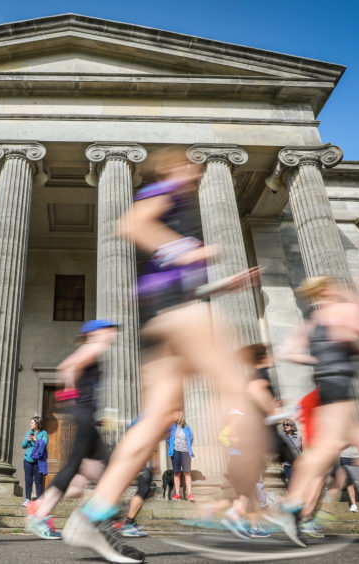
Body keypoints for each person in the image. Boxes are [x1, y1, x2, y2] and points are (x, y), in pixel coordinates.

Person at [62, 148, 262, 564]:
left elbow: (166, 265)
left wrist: (219, 283)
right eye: (190, 164)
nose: (196, 171)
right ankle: (236, 505)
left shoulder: (177, 200)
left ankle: (92, 514)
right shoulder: (165, 190)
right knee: (241, 391)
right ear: (171, 167)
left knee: (156, 418)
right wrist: (186, 250)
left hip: (160, 317)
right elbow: (132, 224)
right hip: (179, 313)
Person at [274, 276, 359, 545]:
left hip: (326, 383)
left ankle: (296, 507)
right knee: (333, 450)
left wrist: (317, 359)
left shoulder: (313, 320)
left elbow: (287, 352)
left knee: (341, 449)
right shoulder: (339, 311)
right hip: (339, 384)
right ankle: (295, 507)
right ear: (328, 290)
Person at [26, 320, 117, 540]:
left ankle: (89, 516)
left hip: (87, 416)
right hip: (83, 413)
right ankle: (41, 513)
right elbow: (68, 367)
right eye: (109, 330)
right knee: (76, 466)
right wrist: (71, 398)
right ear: (94, 333)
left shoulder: (95, 351)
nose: (112, 334)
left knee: (96, 470)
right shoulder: (93, 347)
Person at [167, 414, 195, 501]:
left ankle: (190, 494)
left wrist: (187, 446)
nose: (174, 416)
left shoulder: (186, 427)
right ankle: (177, 494)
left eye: (176, 415)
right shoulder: (171, 427)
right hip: (175, 452)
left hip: (185, 452)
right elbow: (168, 438)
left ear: (180, 416)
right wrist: (172, 445)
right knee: (177, 473)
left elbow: (191, 438)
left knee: (187, 473)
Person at [21, 416, 48, 507]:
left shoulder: (43, 433)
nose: (31, 424)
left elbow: (44, 444)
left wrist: (36, 440)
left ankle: (39, 499)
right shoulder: (29, 432)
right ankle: (27, 499)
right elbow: (23, 446)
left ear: (37, 424)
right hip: (28, 459)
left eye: (32, 423)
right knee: (28, 480)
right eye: (31, 422)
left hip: (38, 460)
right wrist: (27, 440)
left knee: (38, 481)